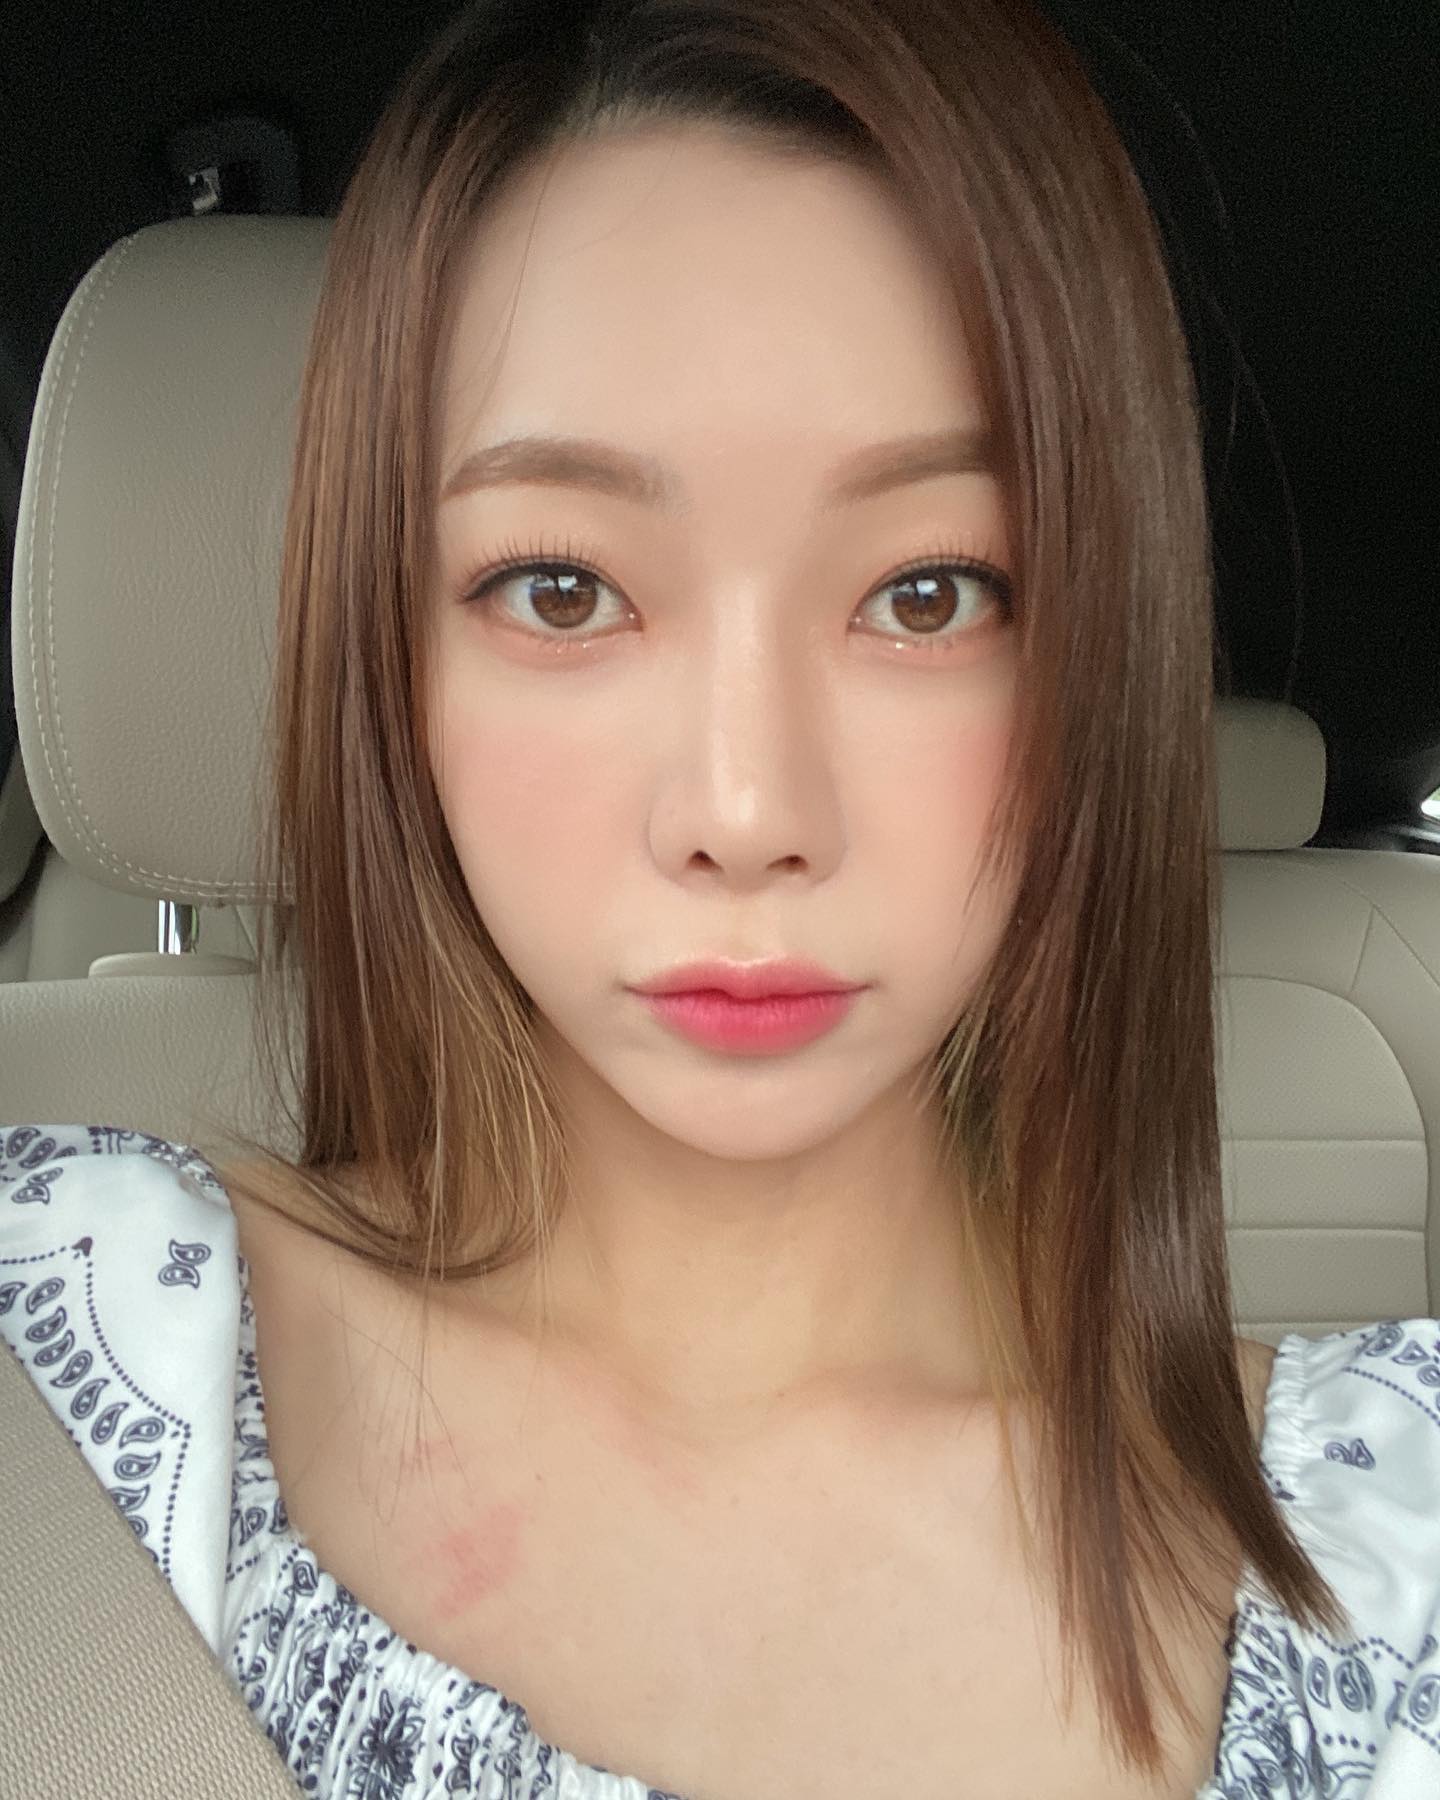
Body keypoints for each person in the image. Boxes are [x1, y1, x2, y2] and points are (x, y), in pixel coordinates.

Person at [4, 1, 1438, 1795]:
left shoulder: (1399, 1540)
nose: (747, 814)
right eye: (561, 589)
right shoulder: (56, 1340)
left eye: (930, 594)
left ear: (1105, 662)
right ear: (393, 662)